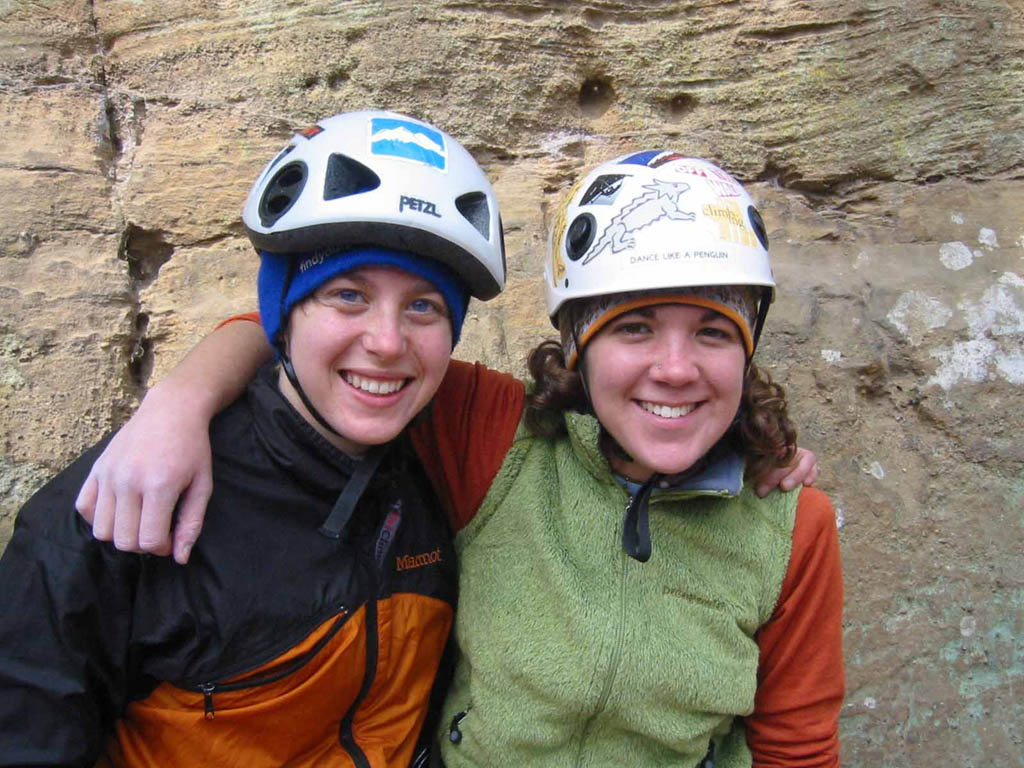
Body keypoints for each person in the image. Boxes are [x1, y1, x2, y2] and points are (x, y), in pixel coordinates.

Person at [74, 153, 837, 765]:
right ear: (578, 344)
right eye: (634, 327)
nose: (675, 369)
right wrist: (176, 402)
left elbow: (796, 749)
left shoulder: (790, 525)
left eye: (712, 333)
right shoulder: (502, 438)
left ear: (747, 353)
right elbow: (318, 341)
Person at [0, 109, 508, 767]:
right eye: (348, 295)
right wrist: (180, 399)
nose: (387, 343)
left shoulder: (444, 459)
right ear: (282, 312)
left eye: (424, 306)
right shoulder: (127, 499)